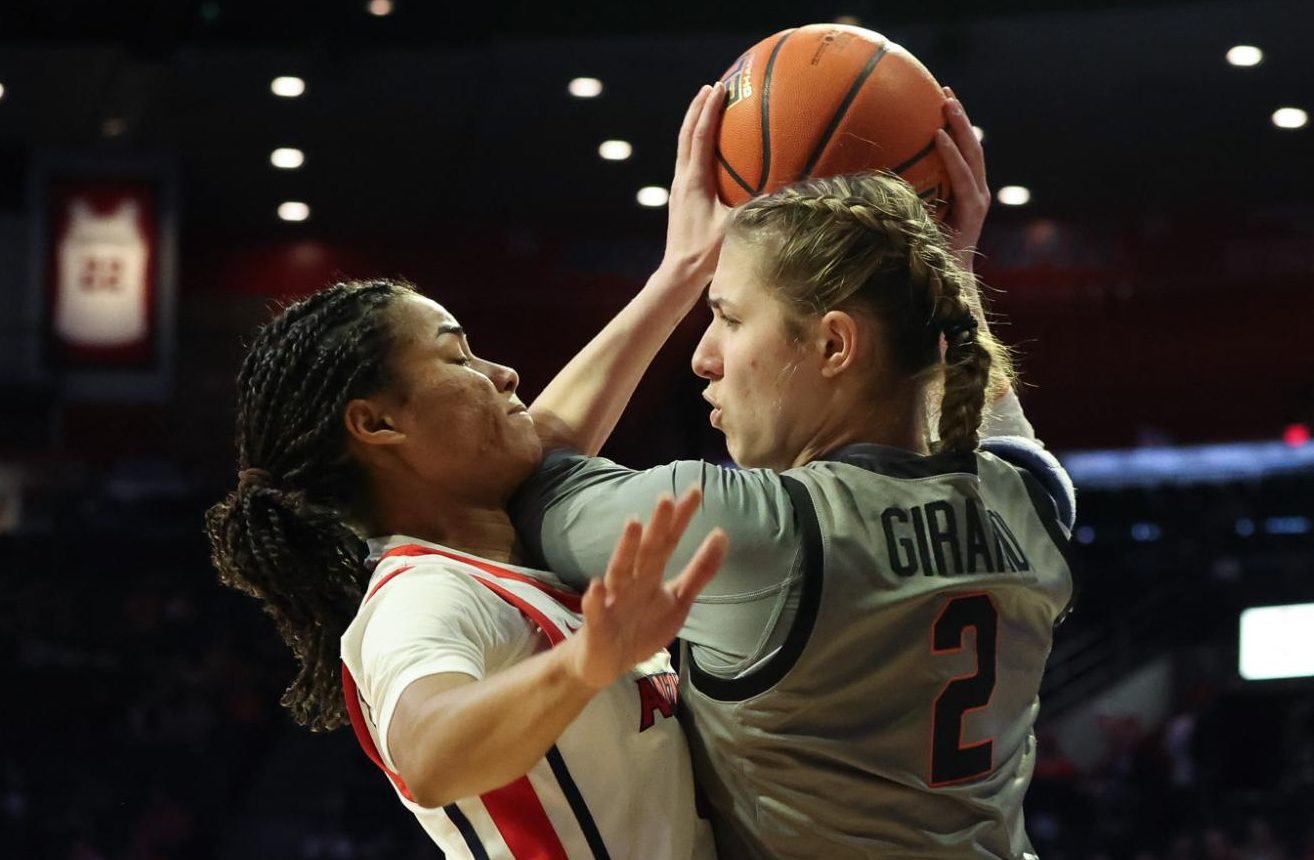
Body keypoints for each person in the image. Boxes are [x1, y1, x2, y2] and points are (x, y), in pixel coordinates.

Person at [511, 82, 1077, 858]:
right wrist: (940, 270)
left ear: (835, 345)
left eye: (727, 317)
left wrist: (677, 272)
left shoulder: (744, 528)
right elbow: (1011, 439)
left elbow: (521, 464)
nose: (702, 356)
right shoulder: (1029, 507)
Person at [204, 277, 729, 859]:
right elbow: (430, 757)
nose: (505, 374)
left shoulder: (501, 550)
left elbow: (550, 432)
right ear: (378, 425)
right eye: (458, 357)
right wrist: (583, 663)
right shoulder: (421, 597)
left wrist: (682, 270)